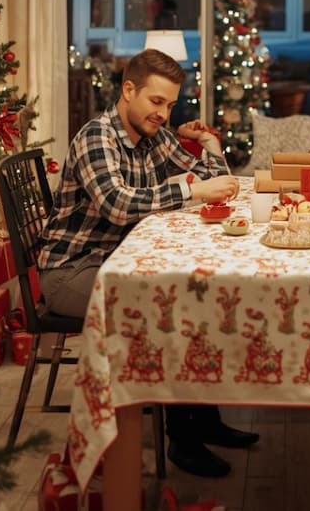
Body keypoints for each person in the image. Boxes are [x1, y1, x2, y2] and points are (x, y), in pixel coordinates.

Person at [37, 48, 258, 478]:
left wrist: (210, 143)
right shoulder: (96, 137)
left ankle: (204, 419)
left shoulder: (153, 135)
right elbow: (118, 205)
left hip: (116, 259)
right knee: (168, 311)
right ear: (129, 90)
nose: (163, 113)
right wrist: (193, 193)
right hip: (71, 271)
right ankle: (183, 439)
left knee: (194, 296)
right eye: (156, 102)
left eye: (171, 104)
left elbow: (205, 175)